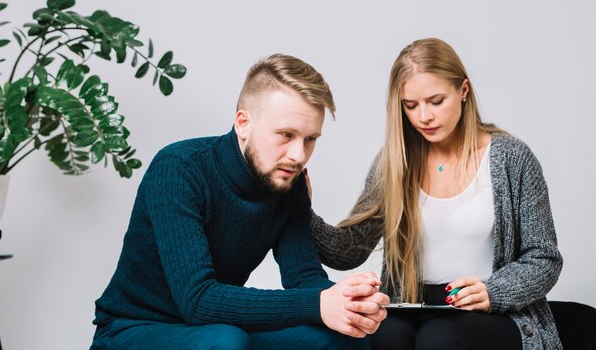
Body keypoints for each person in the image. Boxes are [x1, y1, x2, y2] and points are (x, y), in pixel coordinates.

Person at [90, 54, 389, 350]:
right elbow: (197, 300)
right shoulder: (178, 169)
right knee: (226, 341)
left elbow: (305, 278)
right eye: (286, 135)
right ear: (243, 123)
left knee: (347, 339)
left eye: (310, 139)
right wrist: (319, 303)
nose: (298, 155)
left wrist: (349, 303)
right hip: (132, 331)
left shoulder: (288, 182)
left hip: (214, 331)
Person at [309, 38, 563, 350]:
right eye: (411, 106)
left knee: (439, 339)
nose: (424, 117)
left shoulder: (511, 158)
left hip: (494, 311)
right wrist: (300, 207)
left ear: (463, 91)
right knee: (380, 336)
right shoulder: (394, 163)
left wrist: (493, 292)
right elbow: (347, 250)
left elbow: (544, 258)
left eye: (436, 101)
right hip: (414, 306)